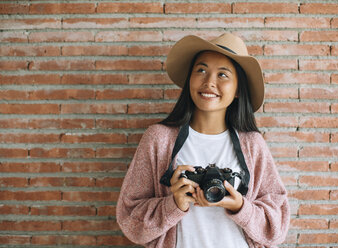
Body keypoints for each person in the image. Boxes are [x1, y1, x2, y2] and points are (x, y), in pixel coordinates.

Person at [116, 33, 290, 248]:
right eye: (201, 70)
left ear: (238, 90)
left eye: (223, 75)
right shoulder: (159, 139)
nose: (209, 82)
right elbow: (129, 218)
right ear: (190, 78)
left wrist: (240, 207)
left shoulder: (252, 145)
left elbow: (278, 227)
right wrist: (174, 204)